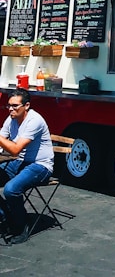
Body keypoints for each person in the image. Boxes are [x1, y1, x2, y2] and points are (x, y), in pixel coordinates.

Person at [0, 88, 54, 244]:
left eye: (15, 106)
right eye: (9, 106)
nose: (11, 109)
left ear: (27, 106)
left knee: (11, 189)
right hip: (21, 163)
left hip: (41, 166)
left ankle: (21, 226)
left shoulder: (34, 120)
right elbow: (3, 141)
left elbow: (15, 150)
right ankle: (7, 217)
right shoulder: (11, 118)